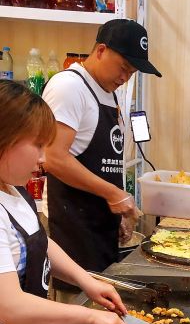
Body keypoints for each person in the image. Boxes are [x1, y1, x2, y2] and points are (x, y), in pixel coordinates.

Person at [0, 81, 133, 324]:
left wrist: (86, 281)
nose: (42, 158)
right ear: (5, 139)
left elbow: (40, 242)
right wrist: (88, 317)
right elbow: (9, 307)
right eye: (37, 145)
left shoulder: (14, 191)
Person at [42, 19, 161, 280]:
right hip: (74, 229)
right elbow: (53, 158)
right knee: (76, 314)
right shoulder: (69, 87)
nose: (125, 77)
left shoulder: (109, 93)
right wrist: (113, 193)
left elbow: (106, 163)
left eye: (131, 73)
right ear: (100, 51)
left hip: (100, 227)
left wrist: (115, 211)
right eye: (123, 68)